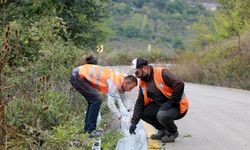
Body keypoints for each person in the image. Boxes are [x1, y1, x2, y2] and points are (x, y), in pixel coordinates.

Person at [69, 55, 138, 138]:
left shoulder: (121, 79)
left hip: (77, 75)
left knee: (93, 101)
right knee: (96, 100)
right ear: (127, 83)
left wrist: (130, 110)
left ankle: (87, 129)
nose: (129, 90)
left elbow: (123, 97)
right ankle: (90, 131)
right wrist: (120, 117)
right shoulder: (114, 82)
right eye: (130, 88)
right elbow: (111, 104)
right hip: (77, 76)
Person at [129, 58, 189, 143]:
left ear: (144, 68)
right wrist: (134, 123)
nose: (137, 76)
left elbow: (180, 84)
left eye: (137, 72)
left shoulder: (161, 73)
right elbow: (140, 103)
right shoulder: (143, 82)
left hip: (177, 105)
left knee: (162, 115)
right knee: (142, 112)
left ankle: (173, 132)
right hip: (162, 105)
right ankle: (163, 131)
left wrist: (172, 102)